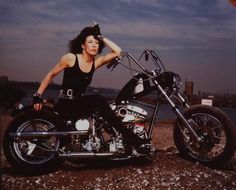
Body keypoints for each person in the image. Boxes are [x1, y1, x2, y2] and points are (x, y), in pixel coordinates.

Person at [33, 24, 149, 147]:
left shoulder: (96, 62)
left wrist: (101, 37)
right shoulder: (71, 58)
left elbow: (118, 52)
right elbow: (50, 75)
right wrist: (37, 95)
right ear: (83, 45)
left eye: (96, 42)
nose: (94, 45)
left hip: (78, 103)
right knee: (97, 99)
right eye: (90, 42)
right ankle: (128, 136)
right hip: (65, 104)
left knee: (107, 109)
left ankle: (112, 141)